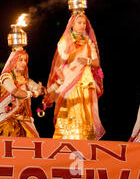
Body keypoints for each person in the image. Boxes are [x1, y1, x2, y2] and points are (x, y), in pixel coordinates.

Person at [43, 12, 105, 140]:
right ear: (72, 24)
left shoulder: (88, 41)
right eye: (79, 23)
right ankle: (66, 136)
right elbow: (61, 59)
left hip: (85, 79)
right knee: (70, 106)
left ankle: (86, 136)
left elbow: (96, 62)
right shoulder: (64, 41)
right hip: (69, 78)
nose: (82, 26)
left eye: (84, 23)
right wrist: (69, 47)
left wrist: (87, 61)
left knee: (86, 107)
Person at [0, 49, 44, 137]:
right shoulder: (6, 77)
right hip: (6, 117)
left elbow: (42, 90)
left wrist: (57, 84)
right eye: (20, 60)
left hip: (23, 119)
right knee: (9, 131)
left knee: (34, 137)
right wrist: (33, 93)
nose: (24, 63)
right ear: (14, 61)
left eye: (25, 60)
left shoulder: (26, 80)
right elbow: (15, 92)